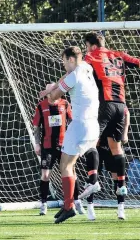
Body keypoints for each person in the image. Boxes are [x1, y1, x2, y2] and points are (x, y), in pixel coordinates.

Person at [83, 32, 140, 219]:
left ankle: (92, 187)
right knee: (116, 149)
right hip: (121, 106)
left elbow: (78, 73)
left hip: (104, 105)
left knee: (90, 145)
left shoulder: (91, 56)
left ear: (91, 45)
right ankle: (121, 200)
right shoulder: (119, 54)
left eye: (86, 46)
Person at [39, 46, 99, 224]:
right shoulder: (87, 67)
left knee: (65, 165)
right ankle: (70, 202)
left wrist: (50, 90)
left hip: (80, 124)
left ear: (71, 59)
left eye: (64, 61)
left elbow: (53, 98)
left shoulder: (74, 76)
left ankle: (69, 206)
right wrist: (57, 84)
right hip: (93, 124)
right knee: (69, 164)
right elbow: (65, 79)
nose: (63, 65)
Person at [32, 83, 84, 215]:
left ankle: (76, 202)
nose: (53, 92)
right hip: (48, 146)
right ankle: (43, 204)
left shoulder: (65, 104)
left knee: (71, 172)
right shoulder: (41, 105)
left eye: (56, 90)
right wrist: (37, 143)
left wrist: (76, 139)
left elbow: (73, 121)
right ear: (47, 92)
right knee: (45, 175)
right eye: (51, 90)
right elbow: (37, 127)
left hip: (65, 145)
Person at [82, 106, 131, 220]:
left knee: (117, 177)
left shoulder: (113, 102)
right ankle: (90, 208)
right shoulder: (94, 100)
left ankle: (121, 209)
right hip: (96, 146)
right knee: (93, 178)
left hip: (112, 145)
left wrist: (125, 132)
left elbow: (126, 112)